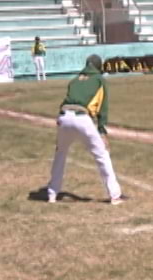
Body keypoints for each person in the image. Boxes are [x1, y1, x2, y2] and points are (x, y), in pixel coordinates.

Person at [40, 54, 124, 205]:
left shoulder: (74, 81)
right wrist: (102, 131)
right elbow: (102, 109)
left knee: (60, 154)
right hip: (82, 117)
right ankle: (115, 195)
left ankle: (52, 194)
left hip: (64, 116)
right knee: (102, 155)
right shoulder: (100, 80)